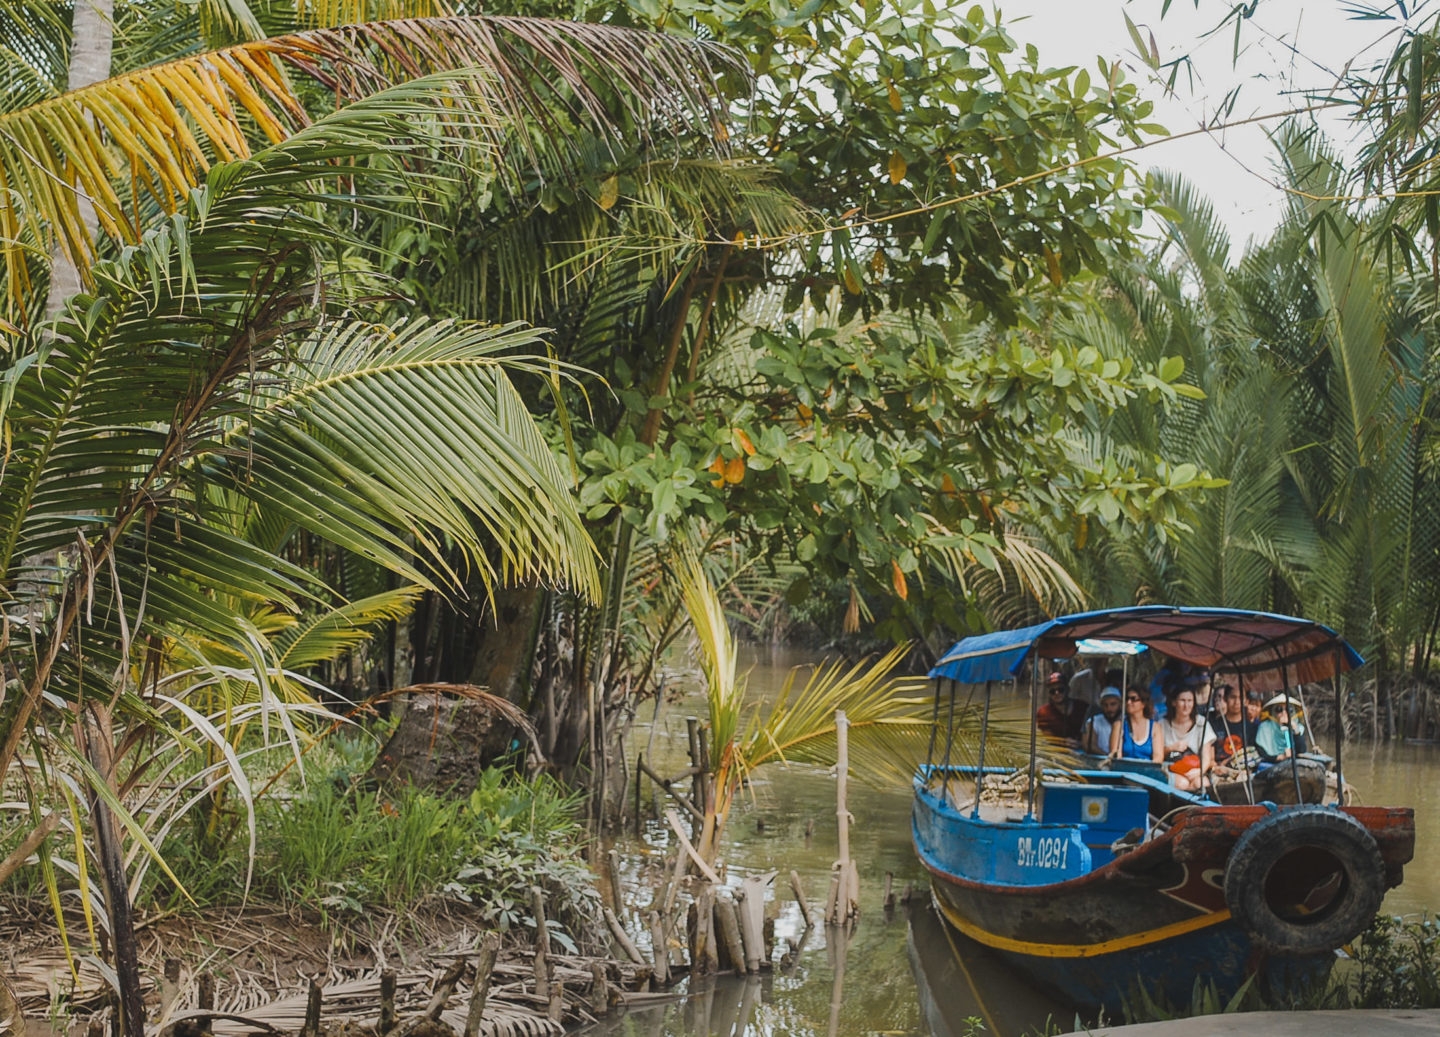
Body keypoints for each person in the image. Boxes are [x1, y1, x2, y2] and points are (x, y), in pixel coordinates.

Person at [1160, 686, 1215, 792]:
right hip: (1170, 770)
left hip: (1195, 769)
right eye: (1182, 701)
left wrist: (1199, 771)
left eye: (1190, 701)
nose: (1186, 705)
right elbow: (1157, 755)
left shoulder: (1201, 723)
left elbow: (1206, 757)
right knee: (1182, 784)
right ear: (1174, 703)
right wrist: (1171, 748)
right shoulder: (1162, 724)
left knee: (1202, 784)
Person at [1208, 683, 1260, 771]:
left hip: (1244, 771)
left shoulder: (1252, 728)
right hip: (1218, 770)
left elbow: (1252, 755)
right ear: (1225, 699)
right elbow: (1210, 759)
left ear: (1246, 701)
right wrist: (1217, 767)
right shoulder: (1213, 725)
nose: (1236, 702)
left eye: (1241, 698)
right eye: (1233, 697)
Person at [1110, 686, 1163, 762]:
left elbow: (1158, 756)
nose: (1128, 702)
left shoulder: (1155, 727)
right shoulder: (1119, 726)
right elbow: (1115, 754)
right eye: (1127, 699)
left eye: (1133, 699)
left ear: (1143, 703)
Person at [1036, 671, 1087, 742]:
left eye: (1060, 690)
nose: (1057, 693)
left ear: (1068, 689)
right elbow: (1048, 737)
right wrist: (1063, 743)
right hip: (1057, 749)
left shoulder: (1082, 706)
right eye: (1052, 691)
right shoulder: (1044, 712)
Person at [1257, 695, 1308, 762]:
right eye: (1279, 710)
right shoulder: (1265, 728)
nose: (1284, 713)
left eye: (1288, 710)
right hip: (1272, 765)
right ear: (1274, 713)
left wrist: (1295, 729)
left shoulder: (1298, 727)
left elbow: (1301, 750)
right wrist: (1281, 757)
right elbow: (1262, 755)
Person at [1081, 687, 1123, 755]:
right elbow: (1089, 745)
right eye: (1105, 705)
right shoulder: (1094, 721)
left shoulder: (1127, 721)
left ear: (1120, 704)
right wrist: (1107, 757)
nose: (1109, 709)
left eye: (1113, 704)